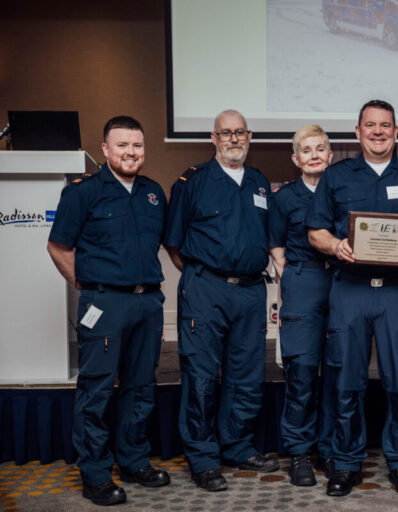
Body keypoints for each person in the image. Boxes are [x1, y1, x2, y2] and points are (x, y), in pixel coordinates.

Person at [306, 99, 398, 497]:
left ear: (396, 132)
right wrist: (335, 246)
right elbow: (315, 231)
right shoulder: (336, 176)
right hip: (349, 290)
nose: (378, 131)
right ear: (358, 131)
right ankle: (346, 463)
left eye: (386, 125)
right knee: (346, 382)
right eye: (371, 125)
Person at [47, 116, 170, 506]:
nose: (131, 153)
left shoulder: (153, 193)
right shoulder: (82, 193)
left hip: (147, 302)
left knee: (141, 387)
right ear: (105, 149)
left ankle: (134, 460)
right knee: (96, 390)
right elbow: (59, 248)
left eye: (137, 145)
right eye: (122, 146)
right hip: (104, 303)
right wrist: (88, 289)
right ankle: (96, 474)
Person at [164, 109, 278, 492]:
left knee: (247, 376)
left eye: (240, 132)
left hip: (250, 291)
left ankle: (237, 446)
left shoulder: (260, 183)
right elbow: (174, 242)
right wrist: (202, 278)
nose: (233, 139)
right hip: (206, 289)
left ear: (249, 137)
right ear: (213, 138)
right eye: (225, 133)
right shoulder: (191, 182)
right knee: (201, 377)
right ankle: (203, 458)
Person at [268, 125, 336, 486]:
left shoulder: (344, 191)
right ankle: (299, 453)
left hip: (342, 284)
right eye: (306, 150)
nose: (314, 155)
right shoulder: (284, 198)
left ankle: (328, 449)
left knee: (338, 374)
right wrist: (290, 285)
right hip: (303, 282)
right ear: (296, 159)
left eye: (320, 149)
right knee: (303, 373)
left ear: (330, 154)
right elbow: (276, 248)